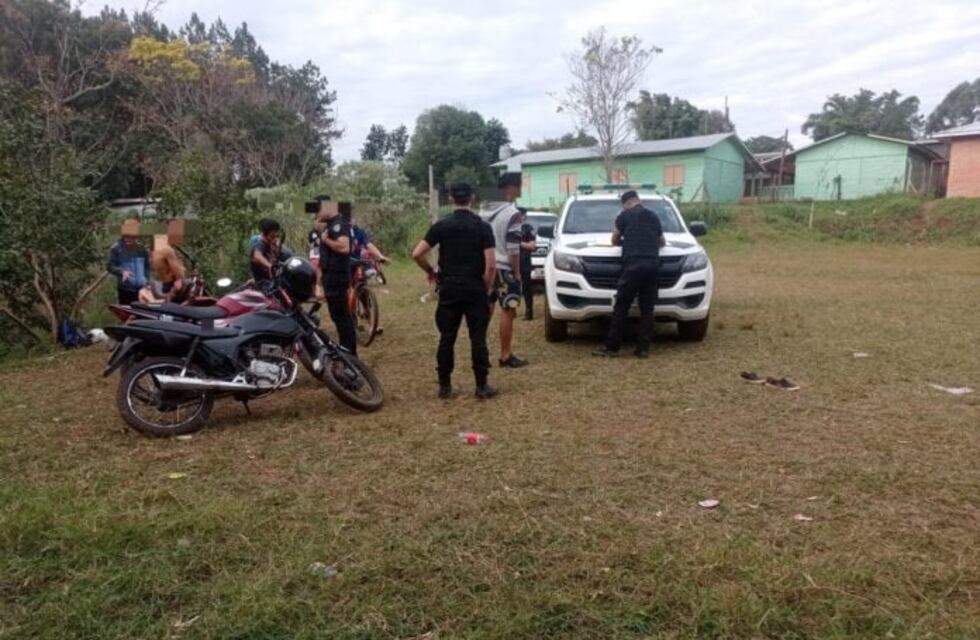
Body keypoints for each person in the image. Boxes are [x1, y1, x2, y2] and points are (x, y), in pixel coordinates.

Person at [412, 183, 497, 400]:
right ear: (472, 199)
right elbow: (491, 265)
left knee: (446, 337)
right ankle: (481, 386)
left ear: (450, 199)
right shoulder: (483, 227)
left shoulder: (442, 226)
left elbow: (417, 253)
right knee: (478, 337)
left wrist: (431, 272)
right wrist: (485, 288)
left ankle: (445, 386)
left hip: (449, 286)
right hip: (474, 287)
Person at [593, 190, 665, 359]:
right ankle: (643, 349)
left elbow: (614, 239)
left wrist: (628, 240)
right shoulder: (653, 216)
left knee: (621, 306)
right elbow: (662, 241)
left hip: (633, 265)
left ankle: (612, 347)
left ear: (626, 204)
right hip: (653, 265)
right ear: (638, 200)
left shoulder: (624, 216)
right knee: (647, 309)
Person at [480, 172, 528, 368]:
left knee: (486, 309)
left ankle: (480, 351)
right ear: (511, 188)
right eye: (519, 186)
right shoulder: (513, 213)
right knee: (508, 310)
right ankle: (505, 354)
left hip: (486, 266)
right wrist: (516, 272)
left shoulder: (483, 211)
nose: (521, 190)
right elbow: (513, 247)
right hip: (506, 268)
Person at [318, 203, 357, 355]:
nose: (316, 215)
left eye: (318, 210)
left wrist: (326, 239)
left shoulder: (339, 225)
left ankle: (349, 352)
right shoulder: (331, 225)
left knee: (342, 317)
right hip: (331, 276)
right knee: (338, 316)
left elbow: (344, 247)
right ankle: (346, 349)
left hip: (337, 276)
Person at [106, 219, 150, 305]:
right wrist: (122, 271)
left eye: (132, 236)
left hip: (141, 290)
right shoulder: (116, 248)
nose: (129, 238)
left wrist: (146, 281)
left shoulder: (142, 249)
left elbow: (147, 267)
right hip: (125, 290)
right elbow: (110, 266)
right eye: (127, 235)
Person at [151, 219, 187, 300]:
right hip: (172, 288)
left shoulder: (157, 248)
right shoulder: (167, 250)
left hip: (165, 285)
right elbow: (180, 275)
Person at [518, 208, 537, 321]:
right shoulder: (510, 228)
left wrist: (518, 242)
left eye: (520, 215)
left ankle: (529, 312)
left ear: (524, 216)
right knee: (513, 288)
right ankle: (512, 310)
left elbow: (532, 246)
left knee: (526, 288)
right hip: (512, 262)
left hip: (524, 262)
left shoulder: (528, 229)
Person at [250, 218, 283, 283]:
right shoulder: (260, 243)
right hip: (264, 284)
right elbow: (257, 255)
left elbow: (276, 258)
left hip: (272, 280)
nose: (276, 234)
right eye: (273, 235)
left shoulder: (271, 244)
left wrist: (276, 247)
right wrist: (269, 265)